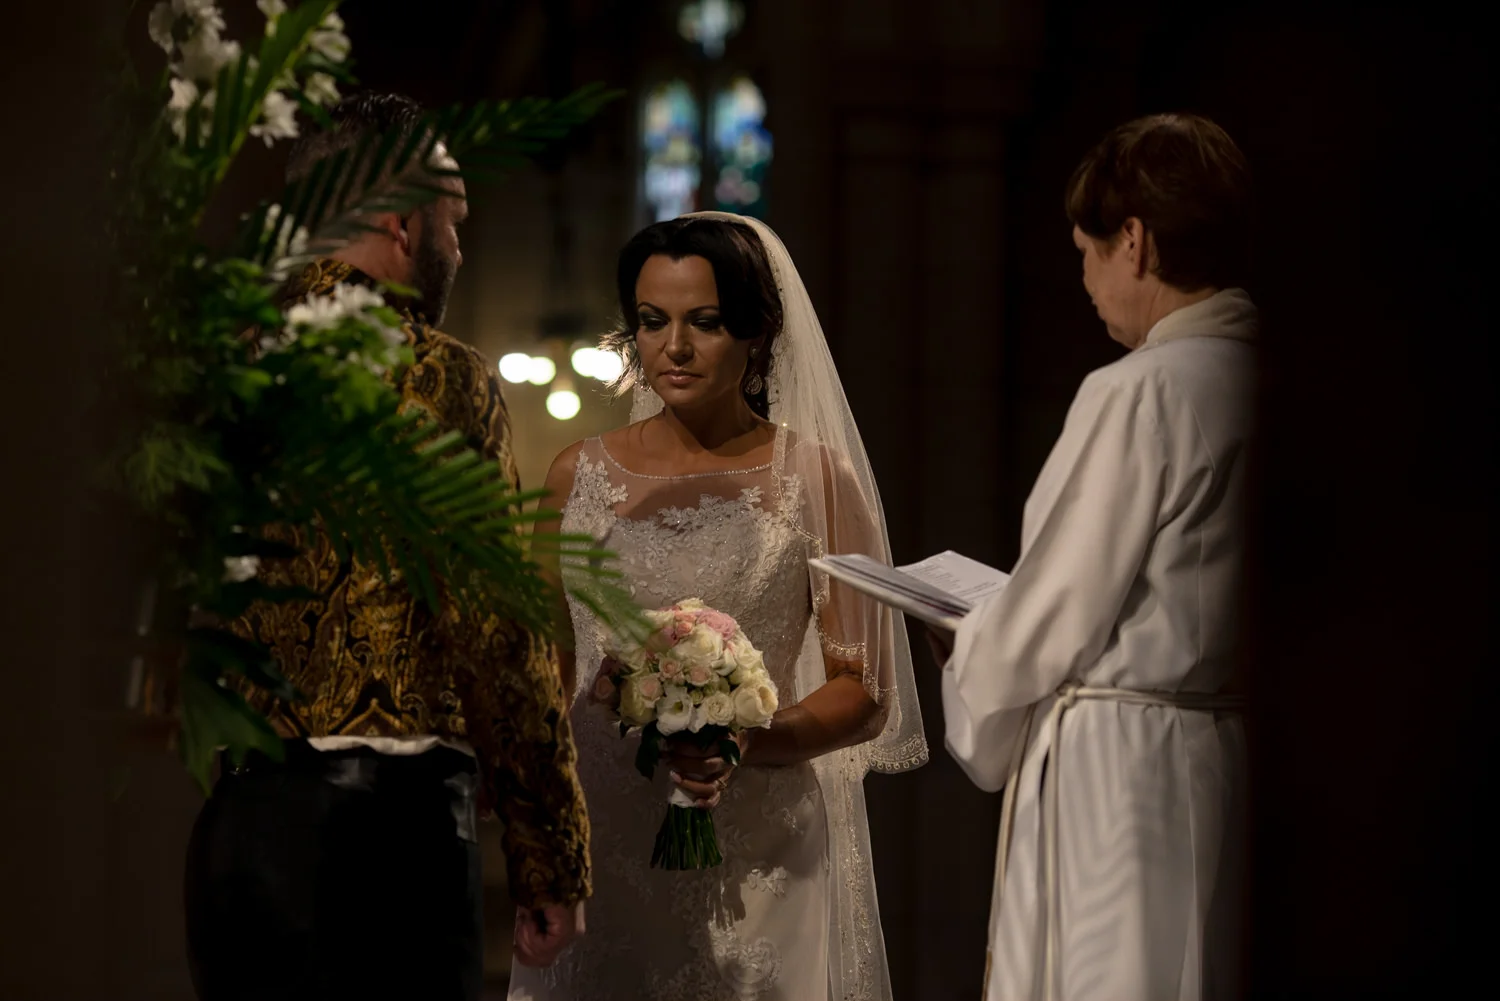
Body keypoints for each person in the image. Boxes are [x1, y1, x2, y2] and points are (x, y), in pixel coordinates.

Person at [180, 93, 590, 1000]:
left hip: (236, 830)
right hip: (386, 842)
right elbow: (495, 628)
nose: (459, 246)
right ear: (403, 225)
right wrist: (548, 851)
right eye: (455, 219)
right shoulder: (438, 375)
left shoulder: (219, 366)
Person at [507, 213, 927, 1001]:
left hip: (761, 846)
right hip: (606, 835)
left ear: (758, 333)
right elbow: (542, 676)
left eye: (704, 322)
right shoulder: (574, 477)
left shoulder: (815, 478)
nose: (674, 347)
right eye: (651, 321)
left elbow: (863, 687)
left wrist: (745, 737)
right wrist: (536, 835)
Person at [930, 113, 1257, 1001]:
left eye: (1087, 251)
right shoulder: (1270, 373)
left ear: (1135, 241)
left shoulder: (1140, 389)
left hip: (1123, 775)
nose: (1084, 279)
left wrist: (968, 644)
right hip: (1222, 752)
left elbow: (1054, 612)